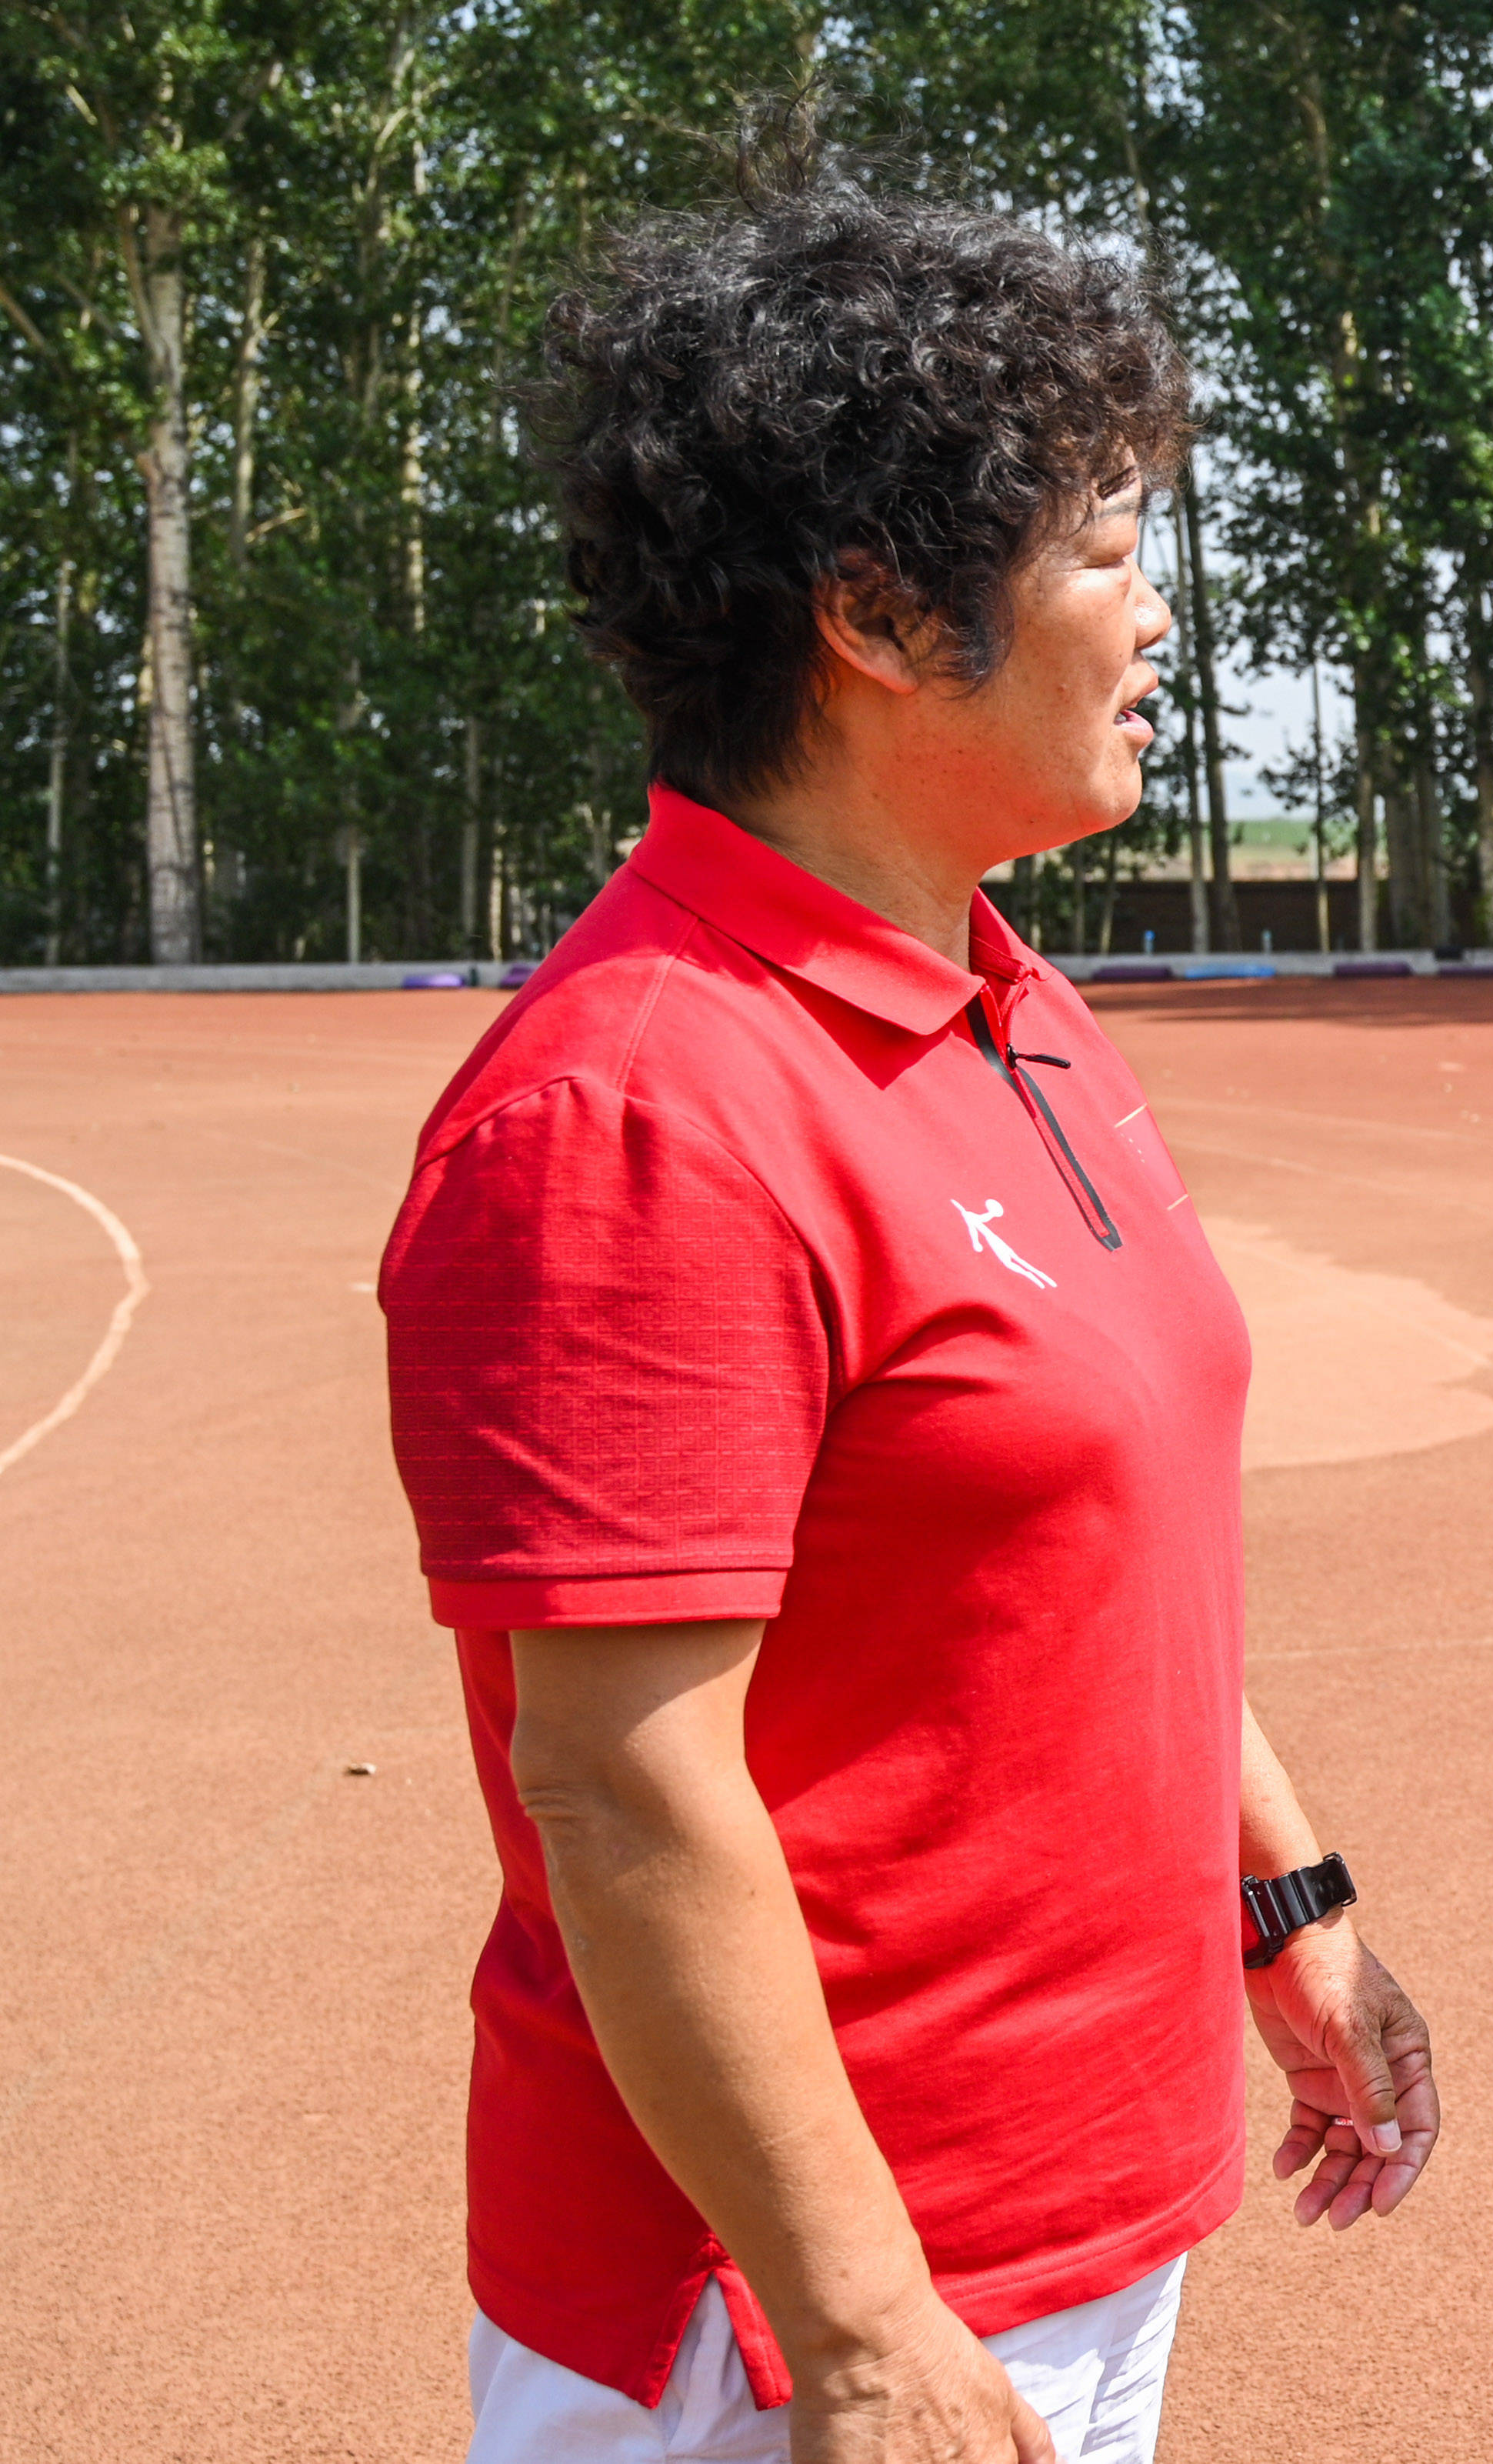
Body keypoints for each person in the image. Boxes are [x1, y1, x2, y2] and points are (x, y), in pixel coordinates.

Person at [378, 158, 1439, 2464]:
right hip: (794, 2306)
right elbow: (619, 1768)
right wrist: (856, 2320)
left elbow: (1092, 1542)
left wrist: (1291, 1904)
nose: (1155, 612)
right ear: (871, 609)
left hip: (1068, 2213)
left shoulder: (1007, 999)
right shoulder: (639, 1104)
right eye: (1099, 548)